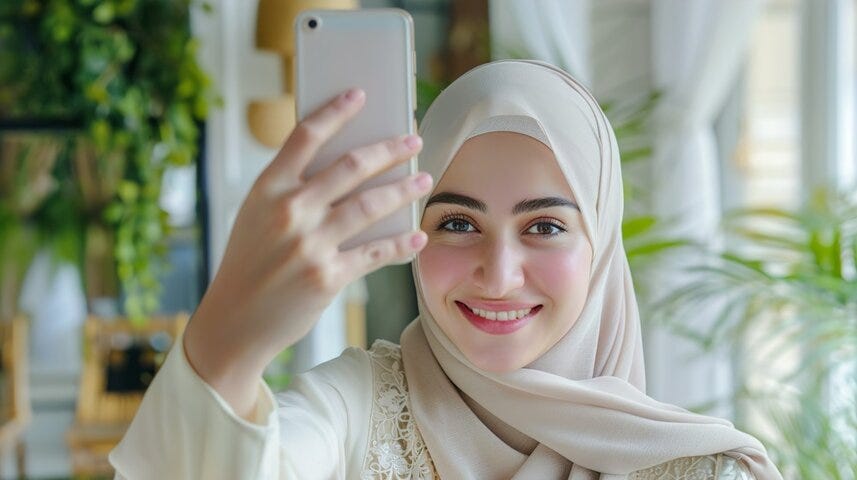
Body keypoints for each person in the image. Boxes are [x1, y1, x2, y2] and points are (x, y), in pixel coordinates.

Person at [110, 60, 783, 479]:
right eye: (456, 224)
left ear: (600, 244)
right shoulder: (354, 410)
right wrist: (229, 339)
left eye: (543, 227)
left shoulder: (701, 469)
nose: (497, 273)